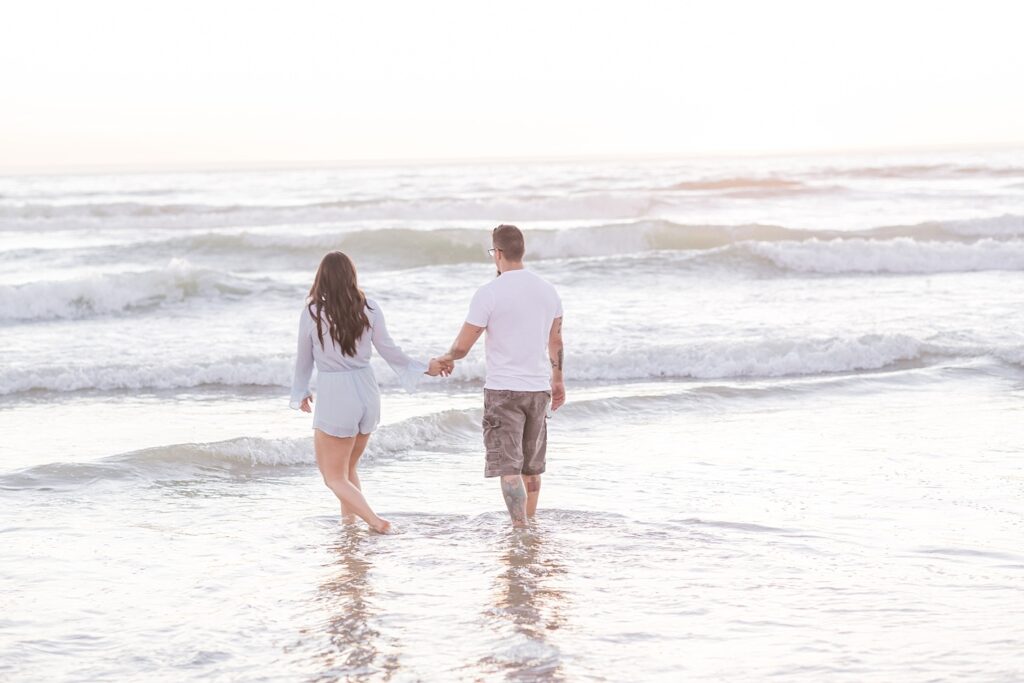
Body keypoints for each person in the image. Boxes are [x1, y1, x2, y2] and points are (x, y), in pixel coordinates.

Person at [290, 251, 447, 534]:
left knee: (332, 476)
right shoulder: (369, 308)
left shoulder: (313, 313)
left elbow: (304, 358)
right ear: (352, 276)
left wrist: (300, 390)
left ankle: (375, 521)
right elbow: (390, 351)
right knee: (348, 470)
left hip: (336, 393)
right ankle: (349, 527)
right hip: (367, 391)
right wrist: (426, 367)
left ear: (321, 278)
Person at [440, 225, 565, 528]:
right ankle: (529, 525)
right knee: (532, 468)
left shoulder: (489, 293)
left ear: (497, 253)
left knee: (510, 468)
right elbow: (556, 341)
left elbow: (462, 345)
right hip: (538, 390)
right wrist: (558, 380)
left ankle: (520, 529)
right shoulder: (548, 290)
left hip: (503, 392)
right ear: (521, 250)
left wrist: (445, 359)